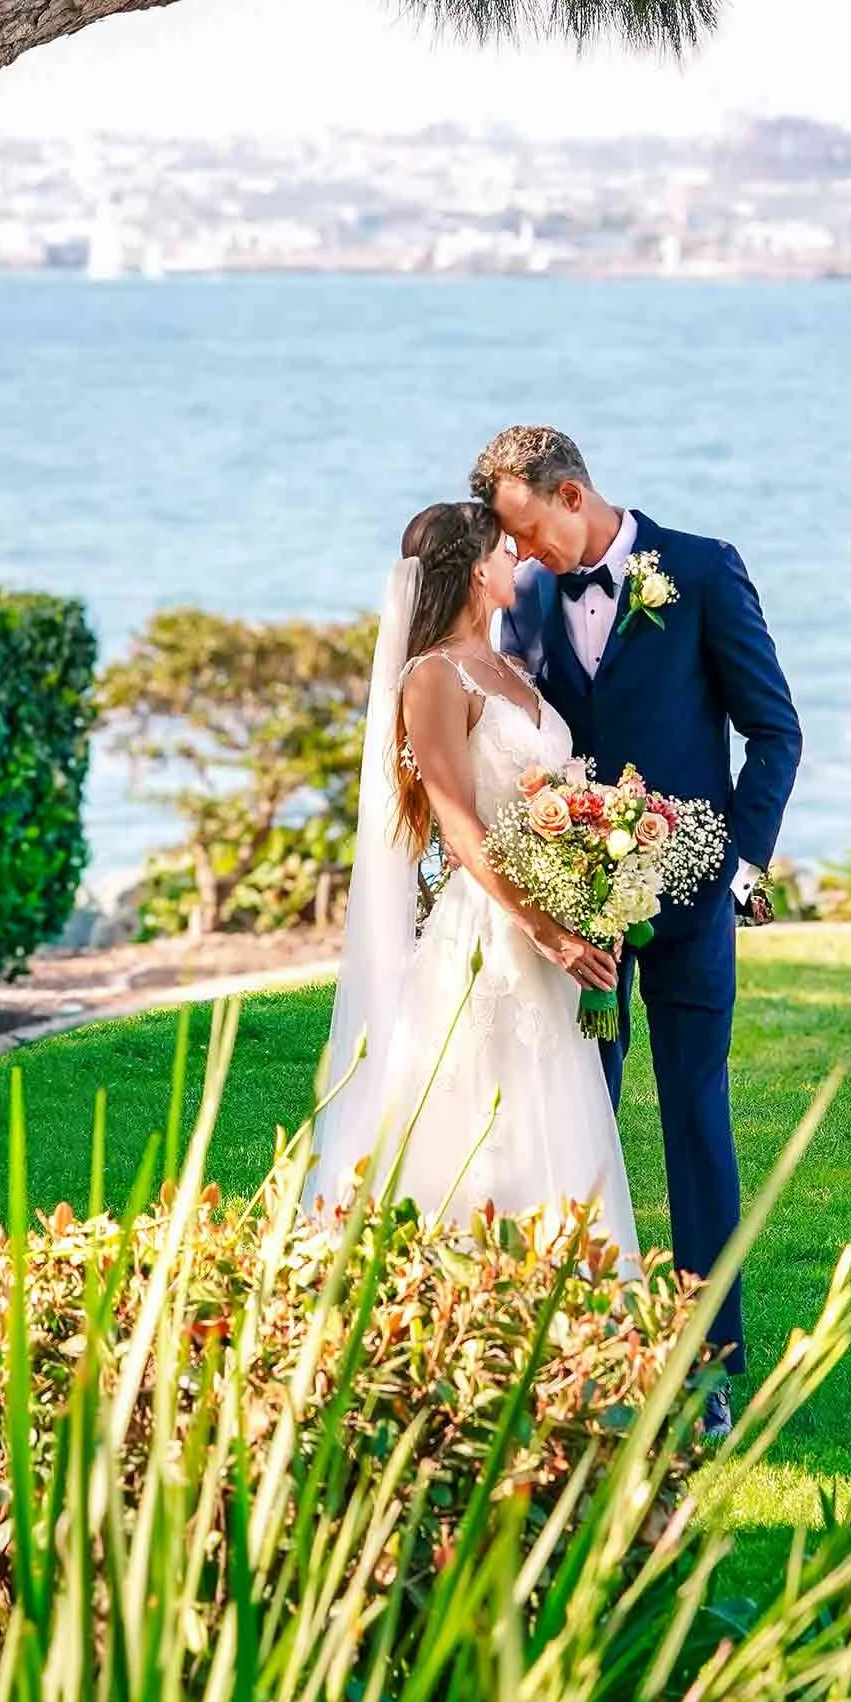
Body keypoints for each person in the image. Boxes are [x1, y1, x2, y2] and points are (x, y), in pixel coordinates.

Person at [471, 424, 801, 1408]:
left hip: (696, 896)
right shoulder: (526, 596)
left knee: (696, 1116)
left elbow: (772, 727)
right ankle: (587, 1352)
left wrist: (739, 864)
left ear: (572, 493)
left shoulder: (699, 570)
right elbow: (524, 739)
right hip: (584, 918)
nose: (525, 554)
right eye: (510, 540)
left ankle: (712, 1360)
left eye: (531, 529)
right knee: (581, 1120)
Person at [308, 498, 638, 1267]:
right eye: (502, 550)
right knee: (482, 1122)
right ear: (472, 570)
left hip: (551, 928)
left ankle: (568, 1317)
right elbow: (458, 823)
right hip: (490, 932)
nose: (517, 560)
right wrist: (548, 931)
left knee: (555, 1121)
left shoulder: (508, 666)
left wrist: (596, 879)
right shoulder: (432, 676)